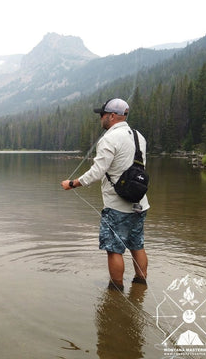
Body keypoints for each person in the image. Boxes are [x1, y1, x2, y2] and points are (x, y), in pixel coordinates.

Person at [61, 98, 149, 291]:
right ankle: (140, 286)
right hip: (140, 203)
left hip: (117, 206)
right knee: (137, 245)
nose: (100, 118)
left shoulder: (109, 139)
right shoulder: (138, 136)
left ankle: (116, 291)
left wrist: (73, 184)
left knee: (114, 249)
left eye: (102, 114)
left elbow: (97, 172)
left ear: (111, 116)